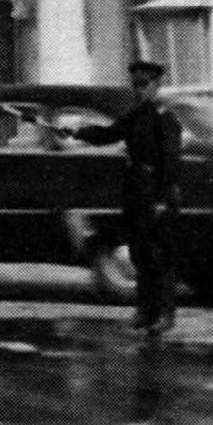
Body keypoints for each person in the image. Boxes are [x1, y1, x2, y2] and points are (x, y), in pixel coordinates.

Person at [67, 60, 182, 335]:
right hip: (136, 191)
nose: (139, 90)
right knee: (139, 254)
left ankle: (166, 313)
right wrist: (77, 132)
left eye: (144, 84)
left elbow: (170, 160)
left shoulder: (165, 117)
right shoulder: (137, 115)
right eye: (135, 85)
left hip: (156, 191)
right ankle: (145, 312)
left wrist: (162, 198)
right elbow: (109, 134)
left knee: (159, 256)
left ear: (156, 85)